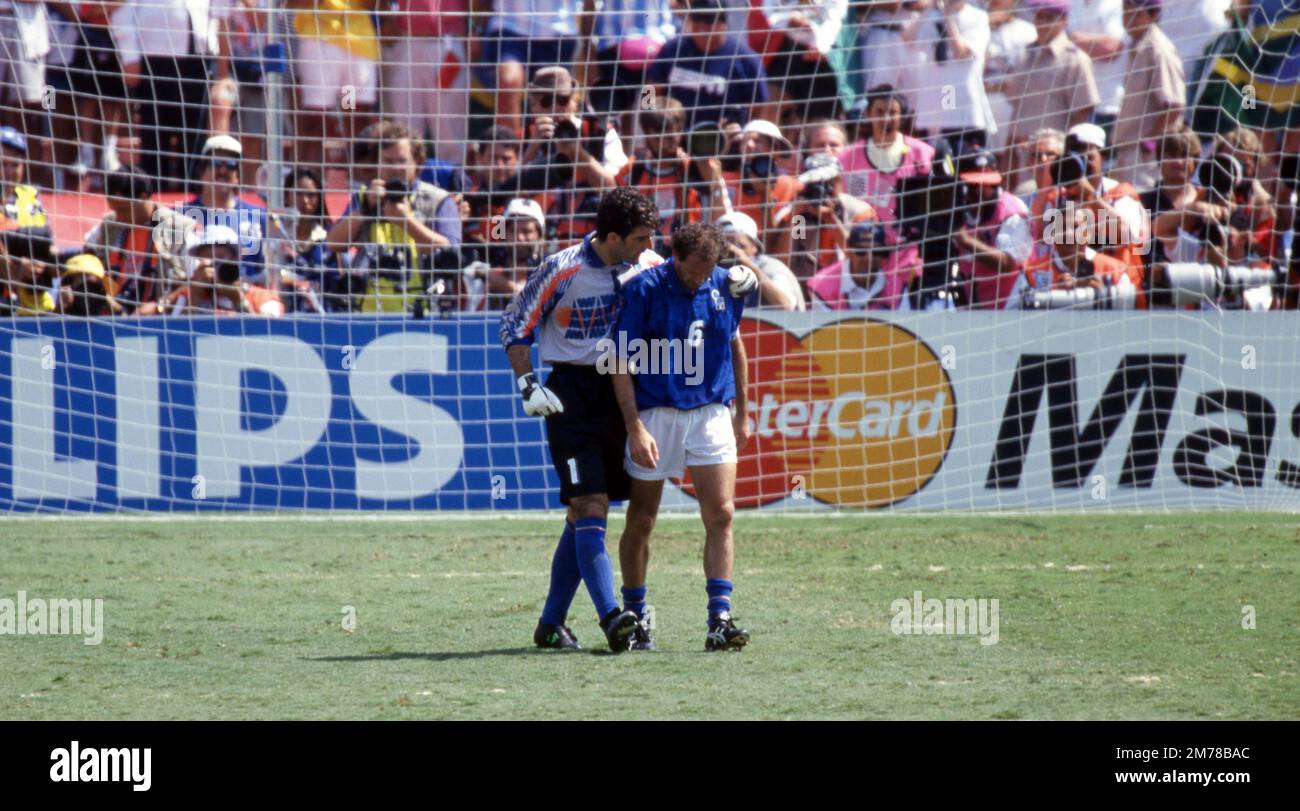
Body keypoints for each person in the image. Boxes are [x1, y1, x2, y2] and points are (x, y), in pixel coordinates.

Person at [496, 187, 659, 653]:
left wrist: (729, 278)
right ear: (613, 236)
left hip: (625, 391)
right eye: (642, 237)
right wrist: (528, 384)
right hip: (571, 394)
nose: (650, 246)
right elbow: (514, 326)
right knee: (590, 505)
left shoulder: (647, 266)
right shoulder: (562, 268)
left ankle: (551, 624)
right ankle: (613, 619)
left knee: (585, 511)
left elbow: (685, 285)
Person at [611, 222, 752, 652]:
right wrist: (635, 426)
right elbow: (618, 360)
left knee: (722, 514)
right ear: (675, 258)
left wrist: (743, 411)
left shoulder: (725, 285)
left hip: (710, 412)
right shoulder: (643, 289)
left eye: (707, 271)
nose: (699, 279)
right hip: (658, 414)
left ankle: (719, 620)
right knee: (642, 519)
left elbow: (734, 344)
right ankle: (637, 615)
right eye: (693, 271)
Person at [325, 120, 461, 313]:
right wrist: (364, 210)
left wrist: (406, 221)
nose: (394, 168)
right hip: (369, 313)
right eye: (387, 161)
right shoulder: (366, 197)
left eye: (401, 161)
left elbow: (451, 252)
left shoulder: (438, 199)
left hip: (423, 312)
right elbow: (334, 243)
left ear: (418, 163)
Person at [111, 0, 218, 188]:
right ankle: (153, 197)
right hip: (155, 57)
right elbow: (122, 10)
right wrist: (129, 55)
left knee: (195, 132)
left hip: (198, 57)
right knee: (155, 133)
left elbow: (218, 11)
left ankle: (194, 197)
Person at [83, 168, 197, 312]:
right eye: (115, 210)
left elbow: (197, 282)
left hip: (159, 320)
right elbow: (85, 259)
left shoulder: (178, 228)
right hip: (112, 315)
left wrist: (159, 307)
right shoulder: (109, 225)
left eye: (124, 210)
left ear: (143, 197)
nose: (119, 217)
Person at [644, 0, 772, 128]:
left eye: (709, 20)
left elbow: (759, 106)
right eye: (696, 18)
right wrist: (648, 119)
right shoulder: (673, 49)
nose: (701, 25)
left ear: (724, 23)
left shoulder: (745, 60)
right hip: (673, 135)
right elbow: (650, 87)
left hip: (721, 138)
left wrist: (743, 131)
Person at [1111, 0, 1186, 189]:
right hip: (1128, 149)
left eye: (1136, 13)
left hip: (1146, 154)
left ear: (1153, 15)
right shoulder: (1136, 45)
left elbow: (1175, 105)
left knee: (1140, 209)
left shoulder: (1158, 49)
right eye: (1126, 12)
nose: (1129, 19)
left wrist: (1150, 142)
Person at [180, 135, 269, 282]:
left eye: (231, 164)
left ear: (237, 177)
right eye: (215, 163)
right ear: (202, 173)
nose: (223, 170)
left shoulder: (259, 218)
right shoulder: (181, 217)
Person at [141, 224, 283, 316]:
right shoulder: (187, 294)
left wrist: (238, 301)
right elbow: (173, 336)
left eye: (221, 259)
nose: (215, 266)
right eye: (209, 259)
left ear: (235, 261)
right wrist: (195, 296)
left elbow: (269, 338)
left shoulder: (262, 297)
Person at [953, 149, 1033, 308]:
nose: (983, 190)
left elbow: (1007, 263)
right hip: (973, 300)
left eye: (989, 183)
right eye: (975, 184)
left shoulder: (1012, 210)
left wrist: (965, 240)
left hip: (1011, 302)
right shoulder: (958, 208)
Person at [807, 220, 915, 309]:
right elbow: (824, 333)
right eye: (861, 251)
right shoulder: (821, 285)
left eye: (876, 252)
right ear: (848, 251)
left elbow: (904, 329)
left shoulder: (896, 286)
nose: (869, 258)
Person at [718, 210, 805, 310]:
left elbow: (786, 305)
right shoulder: (715, 271)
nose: (733, 252)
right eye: (725, 247)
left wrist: (752, 269)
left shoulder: (769, 267)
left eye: (741, 246)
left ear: (754, 247)